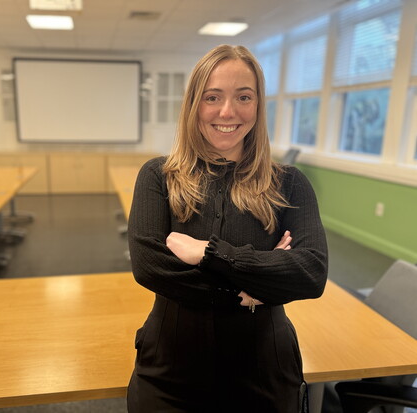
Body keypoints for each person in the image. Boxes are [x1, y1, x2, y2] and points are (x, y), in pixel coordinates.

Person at [126, 44, 328, 412]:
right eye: (212, 97)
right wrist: (253, 287)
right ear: (193, 104)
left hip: (264, 374)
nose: (227, 111)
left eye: (244, 97)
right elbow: (150, 267)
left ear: (258, 105)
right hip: (170, 374)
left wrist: (209, 253)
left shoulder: (290, 184)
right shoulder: (158, 177)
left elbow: (310, 273)